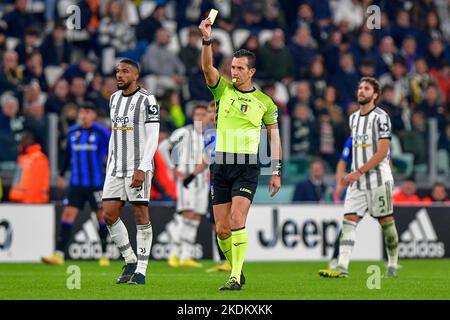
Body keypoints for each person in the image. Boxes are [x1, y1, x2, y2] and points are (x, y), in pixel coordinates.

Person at [199, 17, 282, 291]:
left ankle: (234, 277)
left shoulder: (265, 103)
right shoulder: (222, 90)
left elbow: (274, 135)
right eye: (232, 67)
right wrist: (206, 39)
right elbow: (207, 67)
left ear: (251, 72)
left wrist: (276, 171)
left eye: (239, 68)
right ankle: (238, 268)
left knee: (237, 220)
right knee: (221, 230)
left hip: (246, 165)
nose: (234, 72)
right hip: (221, 164)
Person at [319, 77, 399, 278]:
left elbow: (382, 152)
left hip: (378, 178)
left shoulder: (382, 117)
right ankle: (342, 267)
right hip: (358, 180)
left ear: (375, 95)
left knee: (386, 222)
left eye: (366, 88)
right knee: (349, 221)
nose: (361, 91)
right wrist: (353, 173)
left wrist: (358, 171)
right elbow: (352, 150)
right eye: (360, 87)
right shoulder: (353, 118)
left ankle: (392, 264)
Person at [101, 59, 160, 285]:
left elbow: (153, 136)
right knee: (108, 214)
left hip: (138, 167)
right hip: (116, 167)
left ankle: (141, 271)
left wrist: (143, 167)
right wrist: (109, 163)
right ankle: (130, 259)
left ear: (136, 76)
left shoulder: (147, 100)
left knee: (140, 215)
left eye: (125, 71)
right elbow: (115, 134)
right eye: (117, 71)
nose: (119, 75)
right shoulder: (114, 99)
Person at [41, 102, 111, 266]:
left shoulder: (101, 133)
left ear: (93, 115)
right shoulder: (72, 133)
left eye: (87, 112)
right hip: (76, 183)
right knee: (67, 214)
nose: (83, 115)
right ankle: (58, 254)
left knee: (101, 216)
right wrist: (60, 174)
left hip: (96, 183)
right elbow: (67, 156)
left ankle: (104, 253)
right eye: (81, 112)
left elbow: (111, 154)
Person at [158, 104, 210, 268]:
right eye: (197, 115)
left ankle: (186, 256)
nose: (200, 118)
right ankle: (173, 254)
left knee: (195, 217)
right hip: (186, 181)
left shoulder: (210, 136)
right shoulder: (184, 132)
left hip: (202, 183)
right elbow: (163, 147)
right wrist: (172, 168)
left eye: (203, 115)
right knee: (186, 215)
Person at [9, 131, 49, 203]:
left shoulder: (38, 158)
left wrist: (29, 202)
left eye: (22, 141)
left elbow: (35, 183)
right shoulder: (22, 157)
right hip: (18, 200)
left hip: (30, 202)